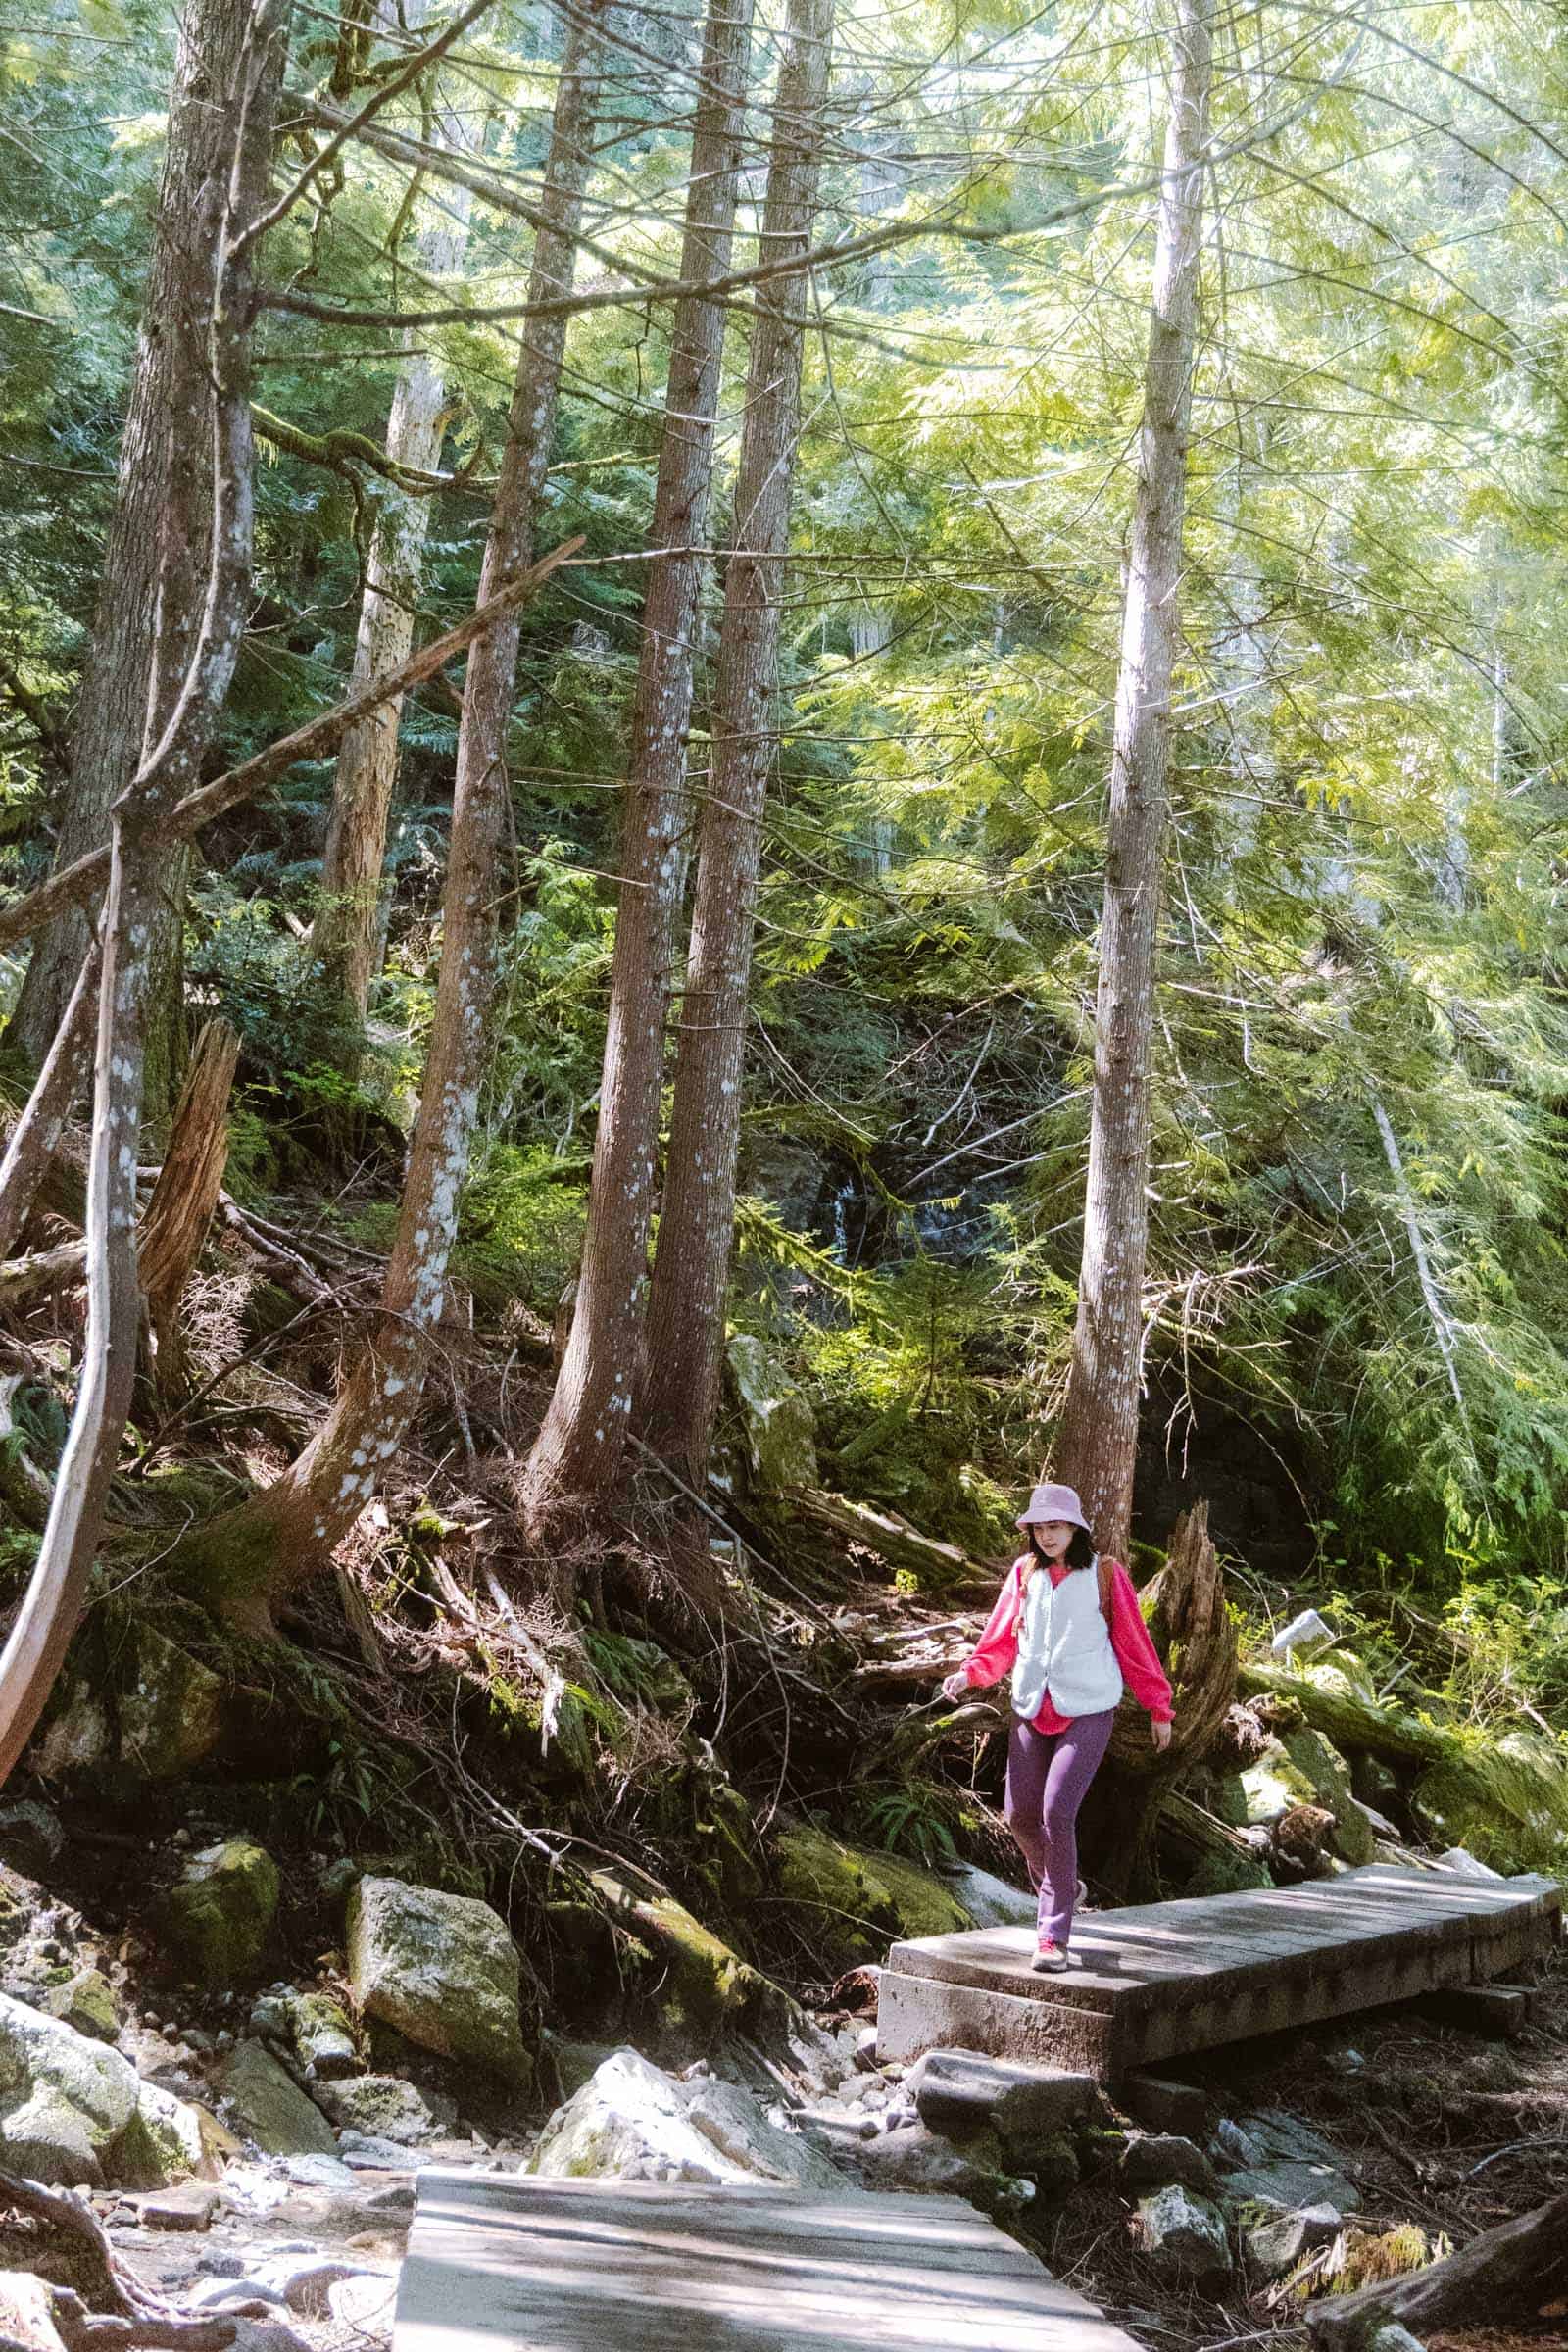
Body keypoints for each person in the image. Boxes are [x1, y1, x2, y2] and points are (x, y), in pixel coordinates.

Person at [939, 1481, 1173, 1973]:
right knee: (1020, 1817)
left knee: (1056, 1812)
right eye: (1039, 1527)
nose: (1046, 1536)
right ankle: (1064, 1883)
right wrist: (971, 1673)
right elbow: (1001, 1640)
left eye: (1055, 1527)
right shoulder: (1025, 1575)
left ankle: (1052, 1937)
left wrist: (1158, 1706)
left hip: (1087, 1710)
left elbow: (1134, 1644)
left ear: (1075, 1529)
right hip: (1030, 1708)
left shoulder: (1106, 1576)